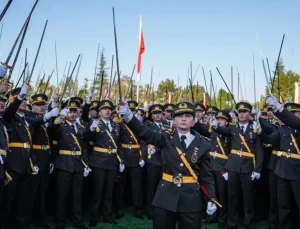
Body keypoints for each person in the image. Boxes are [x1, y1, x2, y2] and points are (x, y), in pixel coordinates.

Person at [119, 99, 217, 229]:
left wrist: (211, 198)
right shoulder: (165, 138)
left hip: (191, 198)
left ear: (194, 121)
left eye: (188, 116)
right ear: (173, 120)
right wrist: (128, 116)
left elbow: (206, 176)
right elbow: (144, 132)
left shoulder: (203, 144)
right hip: (165, 195)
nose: (183, 119)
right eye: (179, 116)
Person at [211, 102, 264, 229]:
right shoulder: (233, 128)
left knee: (248, 198)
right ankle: (231, 223)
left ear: (249, 114)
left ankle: (249, 223)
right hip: (233, 167)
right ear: (237, 114)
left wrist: (258, 169)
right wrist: (215, 126)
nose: (241, 114)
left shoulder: (255, 128)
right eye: (239, 112)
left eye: (244, 112)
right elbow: (222, 130)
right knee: (232, 197)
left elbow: (260, 151)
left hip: (247, 167)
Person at [51, 98, 90, 229]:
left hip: (78, 164)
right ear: (66, 112)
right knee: (62, 194)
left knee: (77, 195)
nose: (73, 114)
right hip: (64, 163)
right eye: (70, 111)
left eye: (75, 111)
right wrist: (57, 118)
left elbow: (83, 147)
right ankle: (60, 221)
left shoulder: (81, 127)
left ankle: (77, 220)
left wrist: (86, 164)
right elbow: (51, 132)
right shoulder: (60, 125)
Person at [266, 95, 300, 229]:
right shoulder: (285, 129)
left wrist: (280, 108)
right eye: (288, 113)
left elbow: (295, 122)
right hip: (284, 171)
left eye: (293, 113)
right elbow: (270, 131)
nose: (289, 116)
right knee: (283, 206)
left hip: (298, 173)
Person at [88, 100, 124, 227]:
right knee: (97, 191)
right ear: (99, 112)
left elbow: (118, 145)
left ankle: (107, 215)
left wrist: (121, 160)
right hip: (98, 161)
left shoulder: (116, 125)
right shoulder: (95, 124)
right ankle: (94, 216)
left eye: (109, 109)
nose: (107, 111)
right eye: (104, 109)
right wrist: (91, 129)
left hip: (112, 161)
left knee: (109, 191)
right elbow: (86, 139)